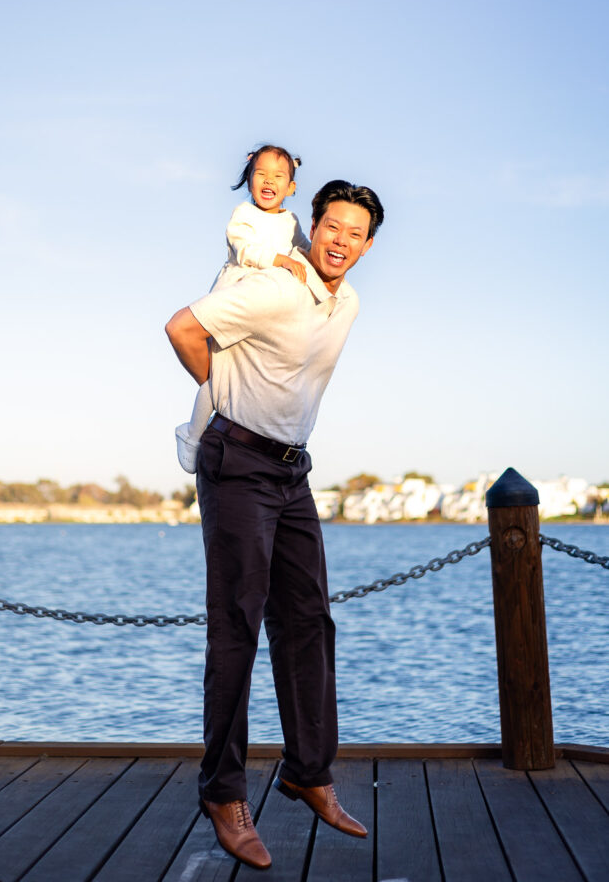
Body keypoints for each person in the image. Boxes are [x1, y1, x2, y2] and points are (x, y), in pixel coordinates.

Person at [165, 178, 384, 870]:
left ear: (367, 244)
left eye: (355, 232)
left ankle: (307, 772)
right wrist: (221, 399)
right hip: (238, 462)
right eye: (331, 226)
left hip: (292, 471)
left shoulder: (343, 300)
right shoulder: (274, 287)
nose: (340, 241)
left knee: (309, 620)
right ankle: (222, 792)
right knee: (237, 625)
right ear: (309, 226)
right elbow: (182, 327)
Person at [175, 144, 309, 475]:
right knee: (218, 377)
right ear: (249, 178)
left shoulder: (291, 221)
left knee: (249, 376)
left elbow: (304, 250)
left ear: (291, 187)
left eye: (278, 176)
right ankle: (192, 434)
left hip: (267, 306)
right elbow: (244, 248)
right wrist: (279, 260)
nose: (268, 181)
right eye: (260, 173)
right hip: (235, 291)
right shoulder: (243, 214)